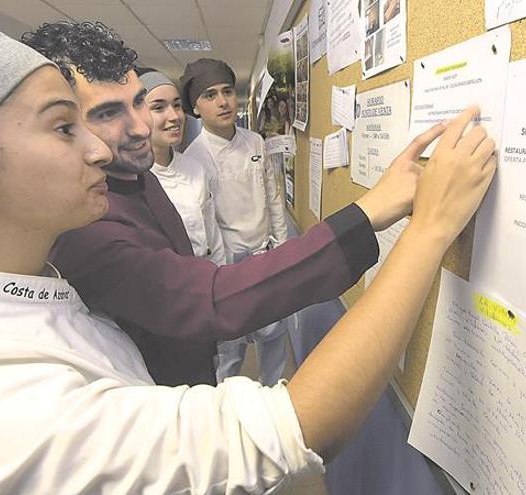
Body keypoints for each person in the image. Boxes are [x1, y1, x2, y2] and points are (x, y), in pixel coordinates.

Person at [0, 28, 497, 494]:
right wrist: (428, 227)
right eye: (66, 125)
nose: (106, 148)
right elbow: (291, 428)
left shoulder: (36, 286)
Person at [22, 22, 417, 387]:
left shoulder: (136, 176)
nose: (143, 126)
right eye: (108, 113)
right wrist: (365, 217)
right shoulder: (87, 228)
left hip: (198, 352)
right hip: (164, 393)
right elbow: (206, 297)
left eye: (141, 102)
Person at [181, 58, 297, 385]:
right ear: (196, 107)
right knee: (230, 350)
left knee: (274, 338)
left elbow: (274, 197)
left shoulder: (256, 143)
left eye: (227, 92)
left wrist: (282, 248)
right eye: (210, 95)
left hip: (265, 255)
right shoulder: (193, 160)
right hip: (226, 265)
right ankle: (226, 413)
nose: (222, 101)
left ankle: (274, 396)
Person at [139, 68, 226, 265]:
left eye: (177, 105)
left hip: (207, 274)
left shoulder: (194, 168)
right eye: (158, 108)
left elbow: (212, 233)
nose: (175, 116)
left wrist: (221, 274)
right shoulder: (134, 182)